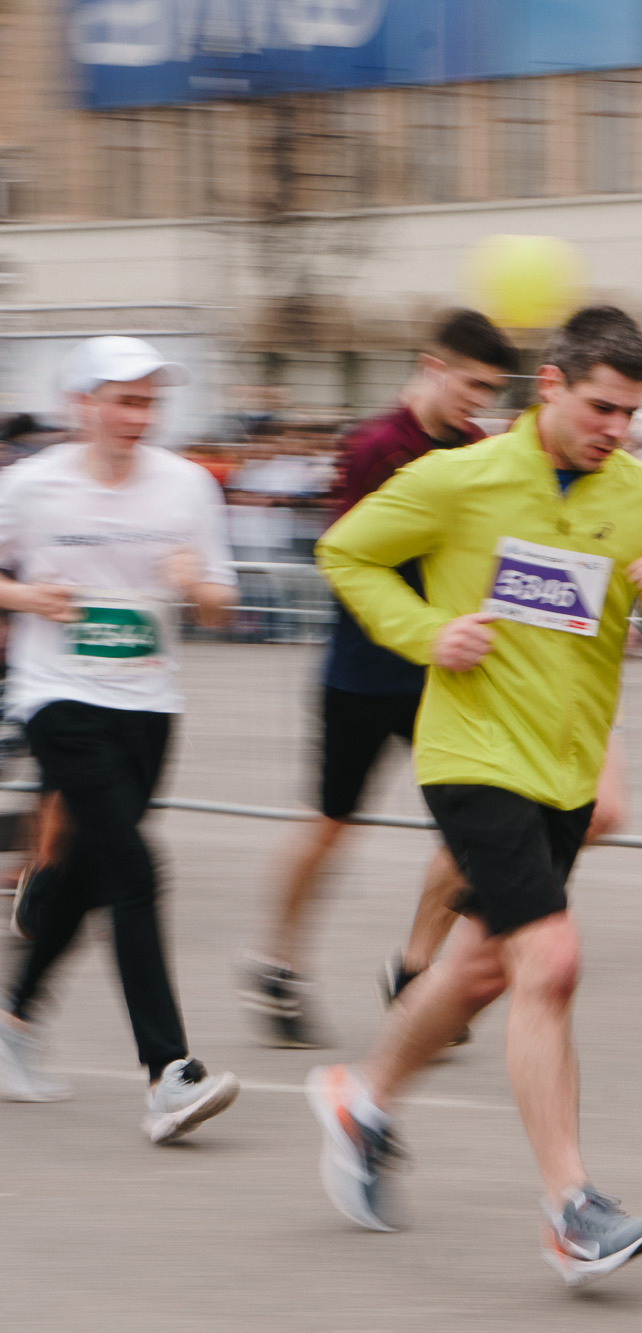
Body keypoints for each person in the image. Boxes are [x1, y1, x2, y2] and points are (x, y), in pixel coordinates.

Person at [306, 305, 642, 1288]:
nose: (617, 428)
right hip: (472, 755)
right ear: (551, 386)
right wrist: (425, 633)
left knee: (485, 969)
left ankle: (362, 1093)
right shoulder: (462, 477)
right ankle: (571, 1208)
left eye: (631, 412)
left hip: (563, 771)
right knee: (551, 959)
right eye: (602, 407)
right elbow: (347, 552)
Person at [238, 309, 521, 1048]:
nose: (480, 402)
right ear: (433, 367)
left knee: (473, 832)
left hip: (446, 676)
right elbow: (349, 560)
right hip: (362, 675)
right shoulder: (373, 446)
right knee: (332, 825)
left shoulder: (478, 449)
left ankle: (415, 970)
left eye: (491, 390)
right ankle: (277, 962)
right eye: (472, 385)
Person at [0, 336, 244, 1144]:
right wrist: (28, 597)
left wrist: (194, 585)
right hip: (57, 695)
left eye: (149, 402)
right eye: (124, 400)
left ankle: (13, 1020)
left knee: (89, 870)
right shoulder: (32, 485)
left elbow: (221, 602)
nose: (140, 417)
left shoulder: (186, 486)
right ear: (84, 405)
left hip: (148, 702)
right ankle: (169, 1073)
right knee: (136, 867)